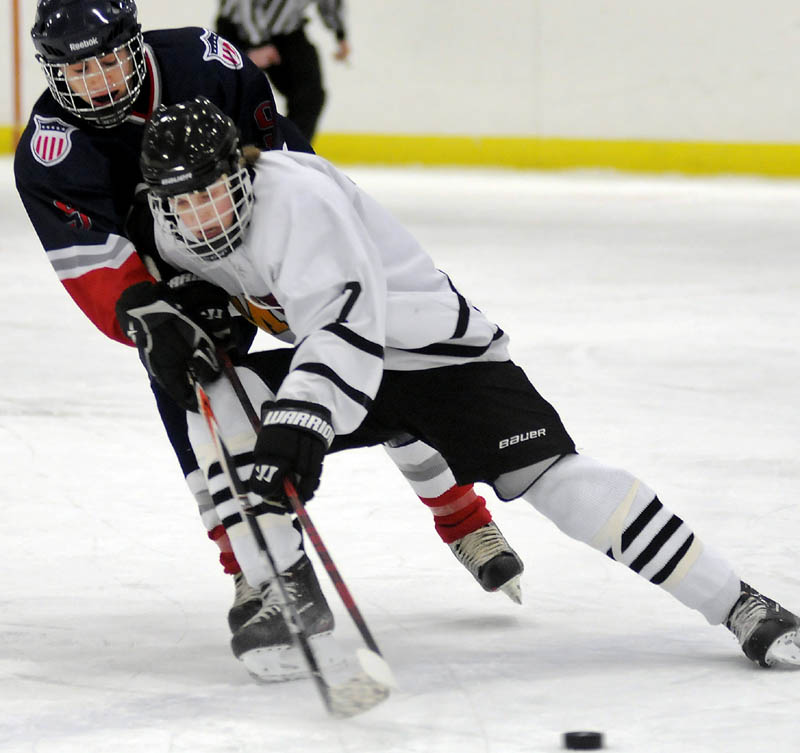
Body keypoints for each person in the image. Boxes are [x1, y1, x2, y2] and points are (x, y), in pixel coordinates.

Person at [126, 96, 800, 674]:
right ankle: (282, 585)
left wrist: (301, 417)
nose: (202, 213)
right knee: (219, 397)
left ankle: (738, 600)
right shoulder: (175, 231)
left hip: (443, 359)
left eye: (211, 190)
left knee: (558, 482)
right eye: (181, 200)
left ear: (240, 171)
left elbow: (343, 327)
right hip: (354, 367)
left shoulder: (299, 202)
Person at [14, 0, 523, 676]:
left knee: (372, 357)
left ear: (135, 46)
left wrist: (297, 263)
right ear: (52, 72)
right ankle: (256, 571)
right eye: (79, 72)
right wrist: (151, 314)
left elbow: (284, 164)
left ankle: (461, 513)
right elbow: (96, 261)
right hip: (176, 280)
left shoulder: (204, 61)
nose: (101, 83)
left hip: (268, 246)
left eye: (109, 60)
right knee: (194, 405)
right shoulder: (50, 150)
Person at [216, 0, 350, 142]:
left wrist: (340, 34)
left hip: (287, 32)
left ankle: (291, 154)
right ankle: (225, 152)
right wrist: (257, 43)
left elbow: (331, 3)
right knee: (232, 99)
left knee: (310, 97)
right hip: (238, 27)